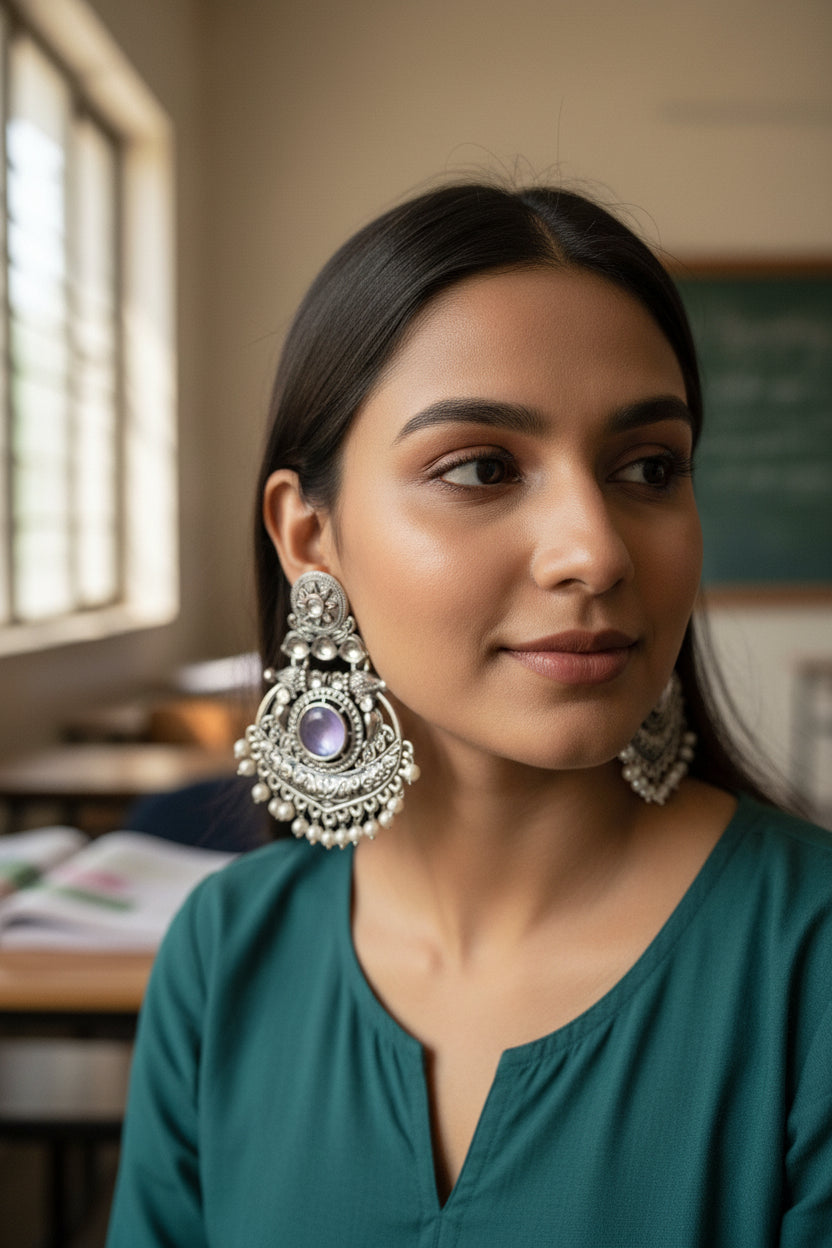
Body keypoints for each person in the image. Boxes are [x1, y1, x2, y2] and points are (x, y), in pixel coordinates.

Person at [106, 182, 832, 1247]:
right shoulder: (224, 955)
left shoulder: (805, 959)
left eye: (649, 468)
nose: (596, 550)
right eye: (481, 467)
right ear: (309, 538)